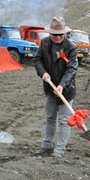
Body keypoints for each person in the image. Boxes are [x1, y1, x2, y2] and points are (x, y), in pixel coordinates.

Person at [33, 17, 78, 158]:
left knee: (64, 120)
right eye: (55, 34)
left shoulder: (71, 48)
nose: (58, 37)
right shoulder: (45, 43)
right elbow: (37, 59)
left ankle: (59, 149)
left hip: (66, 90)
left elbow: (71, 69)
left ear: (64, 34)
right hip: (50, 88)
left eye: (60, 34)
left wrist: (62, 86)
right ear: (50, 33)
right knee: (51, 117)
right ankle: (47, 146)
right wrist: (43, 73)